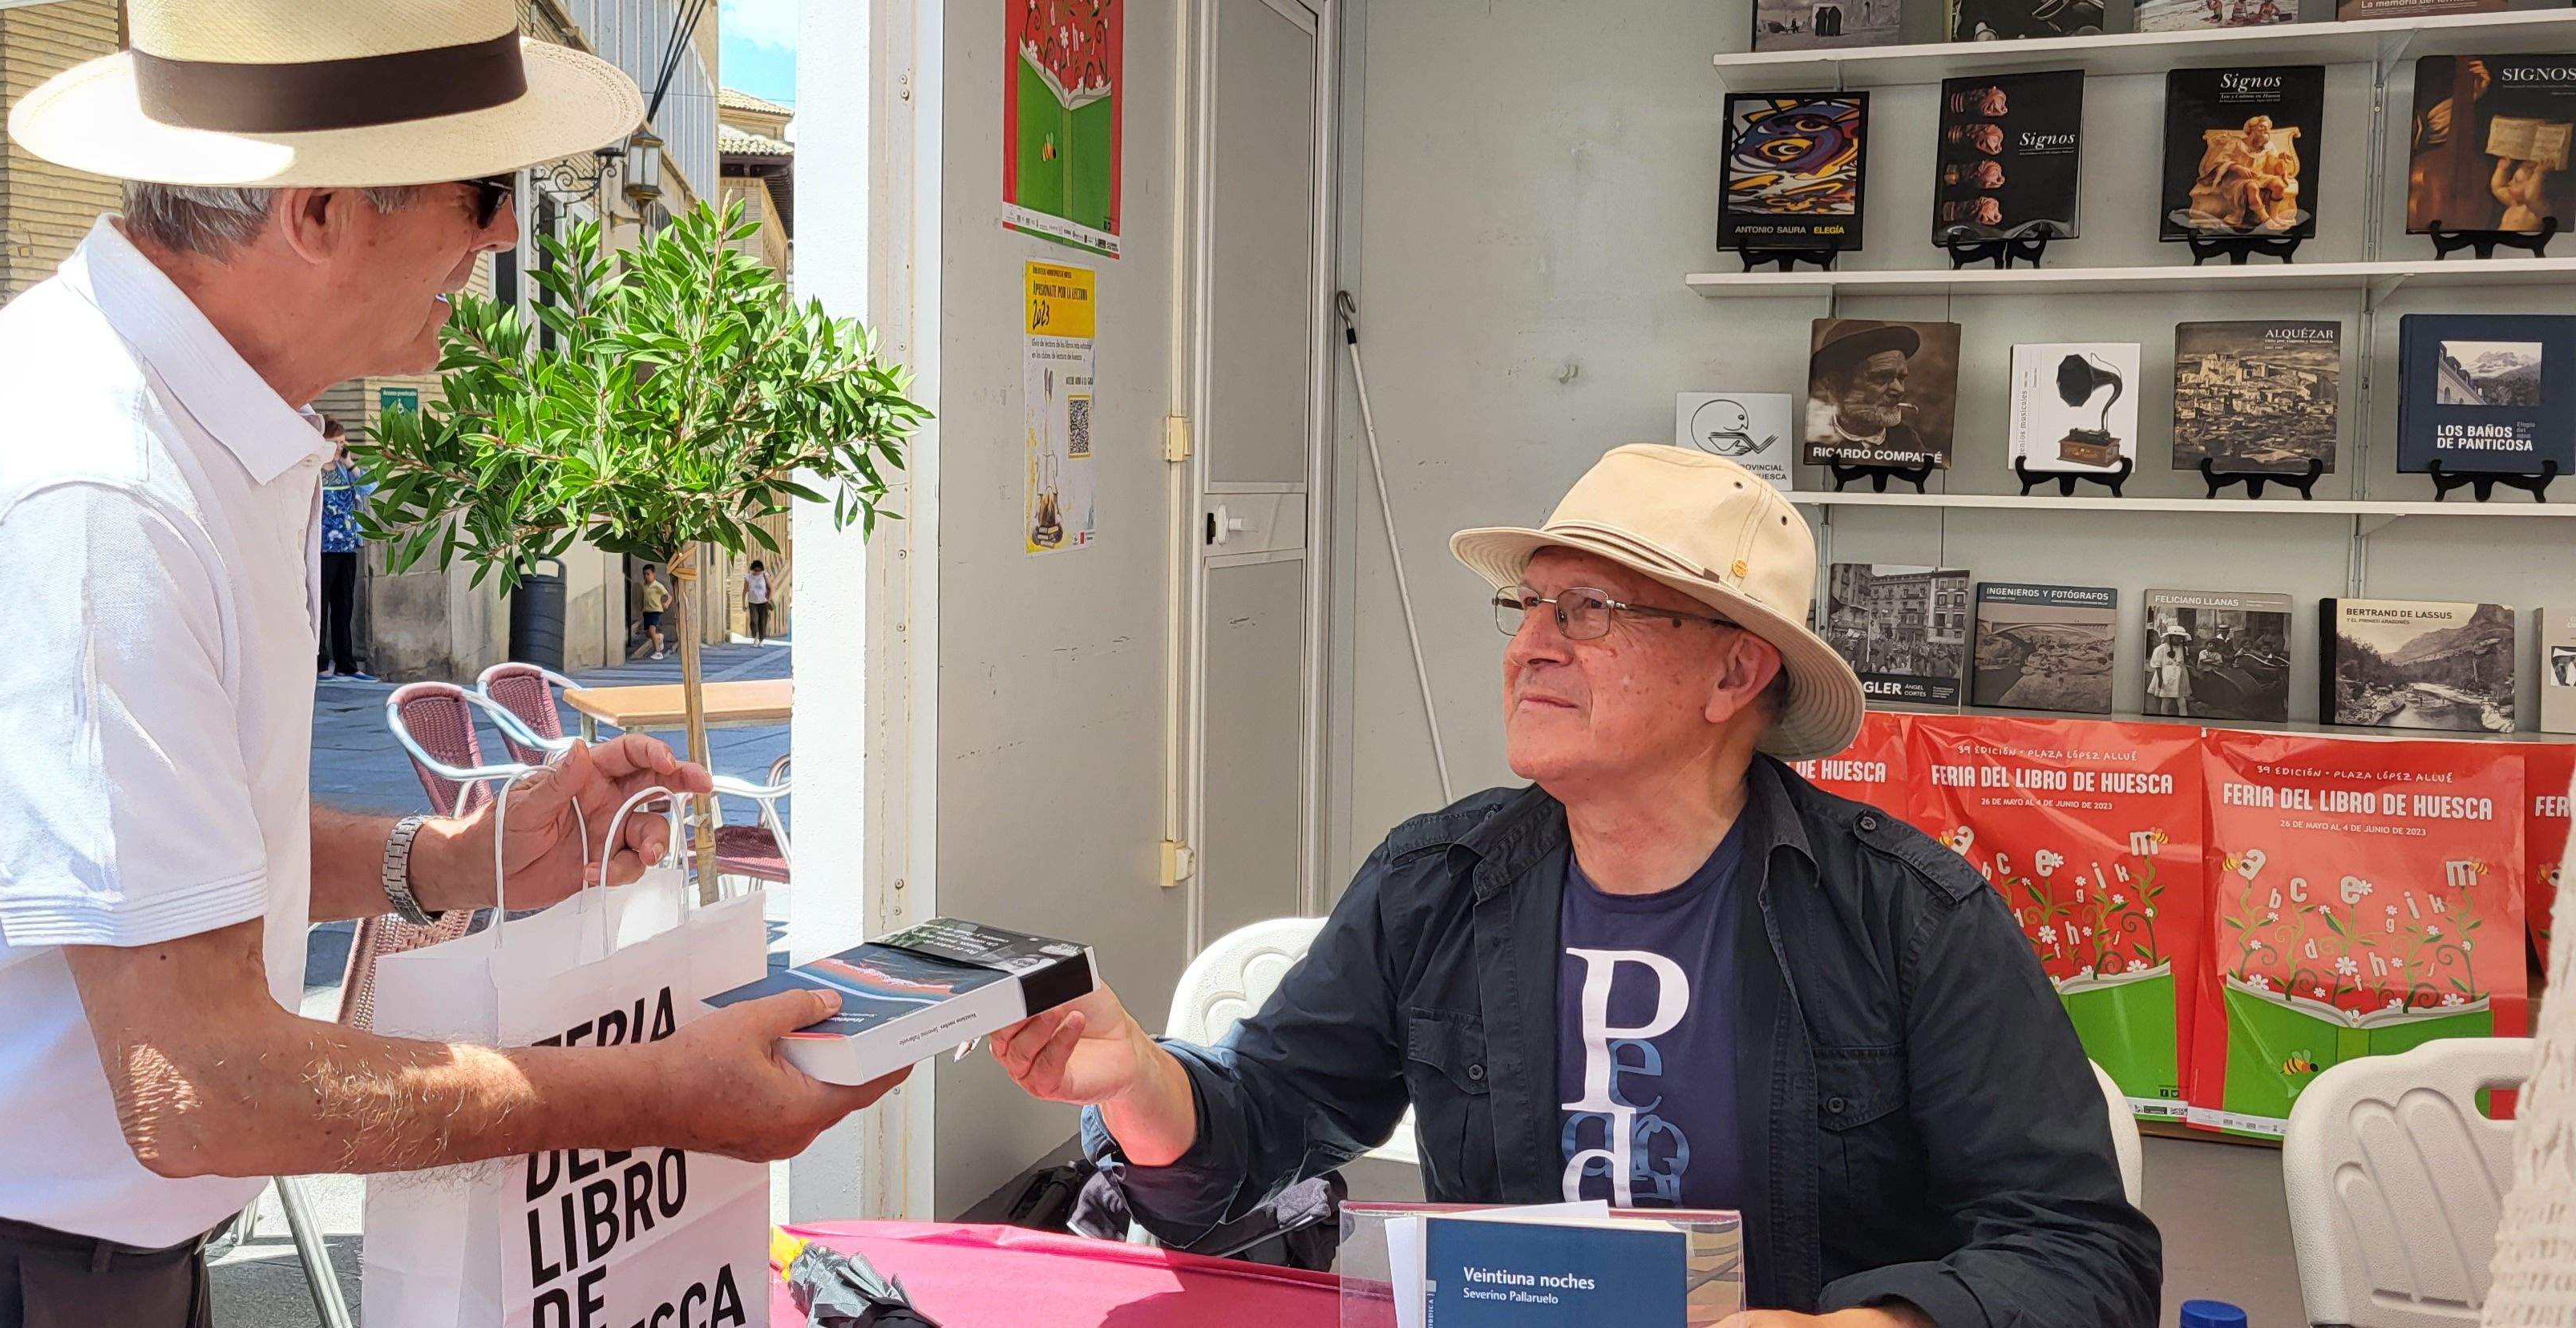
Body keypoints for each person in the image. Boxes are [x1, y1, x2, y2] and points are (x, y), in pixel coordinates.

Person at [0, 0, 900, 1325]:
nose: (503, 236)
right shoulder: (95, 488)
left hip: (19, 1250)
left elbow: (169, 854)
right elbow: (203, 1087)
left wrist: (443, 859)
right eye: (486, 191)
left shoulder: (199, 420)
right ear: (317, 211)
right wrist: (660, 1092)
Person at [989, 445, 2161, 1327]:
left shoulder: (1910, 916)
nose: (1528, 645)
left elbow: (2081, 1252)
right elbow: (1253, 1136)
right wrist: (1138, 1075)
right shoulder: (1433, 881)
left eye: (1588, 611)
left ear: (1737, 669)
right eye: (1528, 606)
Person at [1803, 323, 1937, 463]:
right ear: (1836, 385)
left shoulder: (1906, 440)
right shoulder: (1812, 443)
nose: (1899, 390)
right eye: (1882, 378)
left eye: (1901, 378)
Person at [317, 415, 371, 678]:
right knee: (321, 607)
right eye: (335, 441)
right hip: (321, 549)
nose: (340, 446)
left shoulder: (345, 470)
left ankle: (345, 665)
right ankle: (319, 663)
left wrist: (350, 463)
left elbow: (369, 489)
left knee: (344, 607)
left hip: (346, 547)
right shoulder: (314, 470)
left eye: (342, 442)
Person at [635, 561, 674, 659]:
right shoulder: (644, 585)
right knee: (648, 634)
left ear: (653, 574)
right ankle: (660, 637)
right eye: (644, 574)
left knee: (652, 632)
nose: (646, 576)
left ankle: (658, 652)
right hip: (647, 612)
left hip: (655, 611)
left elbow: (669, 596)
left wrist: (666, 604)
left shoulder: (658, 586)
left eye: (648, 574)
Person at [744, 559, 773, 644]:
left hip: (763, 602)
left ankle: (761, 640)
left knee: (762, 622)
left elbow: (771, 588)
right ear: (752, 569)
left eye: (759, 570)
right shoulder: (748, 577)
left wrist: (769, 600)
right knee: (753, 621)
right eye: (755, 570)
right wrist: (743, 603)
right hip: (752, 602)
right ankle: (755, 637)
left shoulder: (765, 575)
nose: (757, 572)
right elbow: (744, 590)